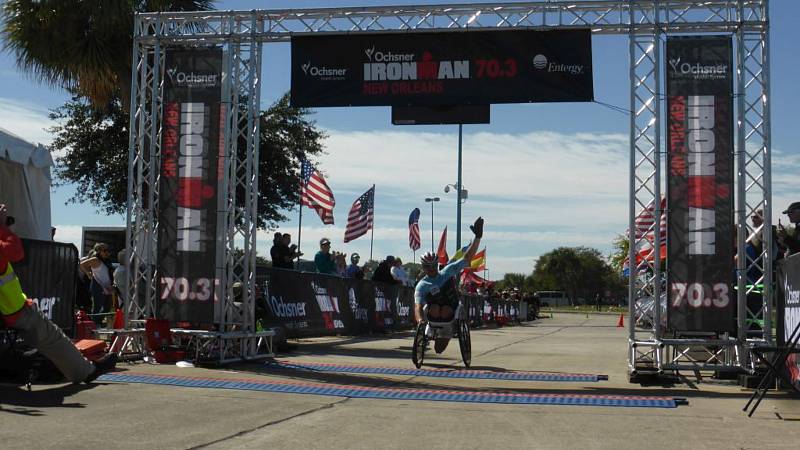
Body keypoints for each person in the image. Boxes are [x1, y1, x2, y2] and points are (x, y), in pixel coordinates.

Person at [0, 203, 116, 383]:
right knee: (52, 337)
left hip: (9, 310)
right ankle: (85, 371)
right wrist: (2, 227)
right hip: (12, 310)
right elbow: (15, 251)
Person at [414, 216, 483, 354]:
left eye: (433, 265)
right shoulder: (422, 285)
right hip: (433, 313)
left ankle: (446, 333)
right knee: (433, 307)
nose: (431, 268)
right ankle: (429, 335)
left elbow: (467, 258)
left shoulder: (447, 271)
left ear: (436, 264)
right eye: (427, 266)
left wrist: (477, 237)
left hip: (450, 309)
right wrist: (420, 320)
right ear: (423, 267)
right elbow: (418, 306)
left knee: (439, 350)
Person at [80, 243, 115, 323]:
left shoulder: (106, 260)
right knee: (97, 307)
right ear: (99, 251)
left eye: (108, 250)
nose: (107, 252)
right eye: (105, 250)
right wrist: (88, 273)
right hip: (98, 286)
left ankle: (96, 322)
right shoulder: (95, 259)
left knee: (107, 308)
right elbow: (81, 264)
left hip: (107, 287)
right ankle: (93, 325)